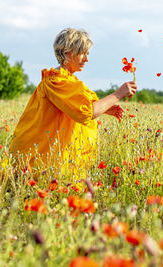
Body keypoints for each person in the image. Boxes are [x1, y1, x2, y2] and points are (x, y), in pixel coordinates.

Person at [9, 28, 137, 181]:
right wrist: (118, 94)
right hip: (41, 157)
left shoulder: (68, 80)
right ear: (67, 52)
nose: (86, 59)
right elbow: (86, 112)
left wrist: (104, 109)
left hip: (53, 156)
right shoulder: (56, 81)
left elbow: (72, 109)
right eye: (82, 53)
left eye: (87, 54)